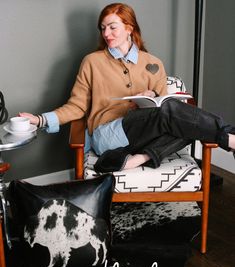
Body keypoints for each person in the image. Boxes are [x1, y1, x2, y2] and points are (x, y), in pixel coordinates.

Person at [20, 2, 235, 172]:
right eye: (103, 28)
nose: (106, 33)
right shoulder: (92, 62)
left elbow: (164, 103)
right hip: (108, 133)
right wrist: (40, 120)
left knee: (187, 121)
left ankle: (140, 158)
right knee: (183, 118)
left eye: (113, 27)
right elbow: (76, 106)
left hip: (145, 133)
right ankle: (230, 137)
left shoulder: (153, 62)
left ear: (129, 29)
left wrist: (150, 95)